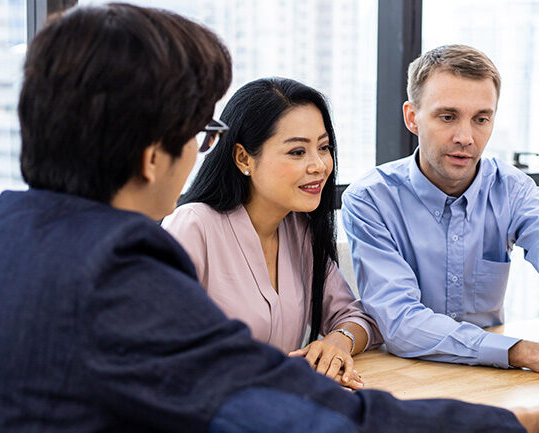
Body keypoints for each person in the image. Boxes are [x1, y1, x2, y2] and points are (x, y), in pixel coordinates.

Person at [0, 5, 539, 432]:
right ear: (150, 155)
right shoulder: (121, 268)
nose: (200, 150)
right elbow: (283, 411)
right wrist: (519, 423)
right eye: (201, 131)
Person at [341, 44, 539, 378]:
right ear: (412, 118)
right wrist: (530, 353)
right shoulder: (370, 199)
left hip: (494, 376)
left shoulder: (510, 187)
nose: (466, 137)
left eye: (481, 119)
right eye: (447, 117)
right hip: (406, 377)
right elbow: (402, 323)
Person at [162, 77, 382, 390]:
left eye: (323, 147)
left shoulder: (299, 230)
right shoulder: (193, 226)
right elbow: (161, 351)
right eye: (297, 152)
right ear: (243, 158)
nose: (319, 165)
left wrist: (337, 341)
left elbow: (358, 317)